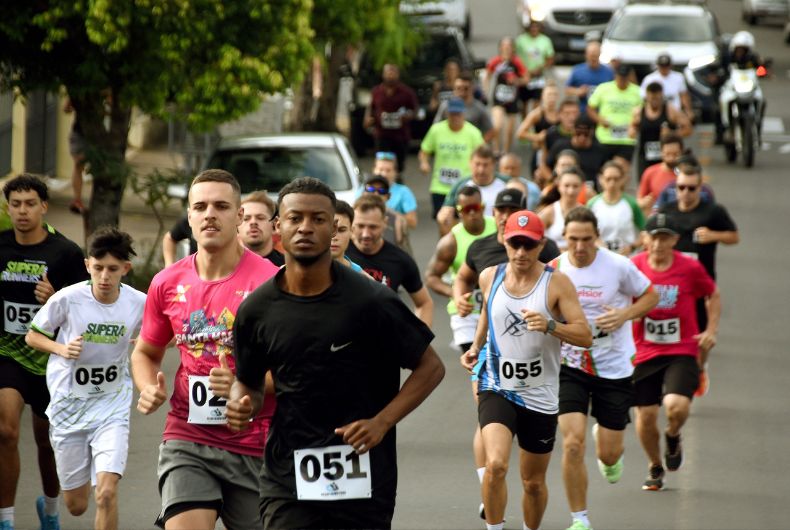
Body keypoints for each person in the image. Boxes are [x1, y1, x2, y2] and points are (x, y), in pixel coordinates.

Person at [225, 177, 445, 529]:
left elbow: (431, 367)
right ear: (278, 226)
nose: (306, 227)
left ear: (335, 229)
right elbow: (248, 383)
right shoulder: (257, 310)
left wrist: (382, 422)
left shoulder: (372, 301)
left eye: (318, 219)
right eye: (295, 218)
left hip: (364, 475)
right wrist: (241, 403)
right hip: (287, 473)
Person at [131, 169, 280, 530]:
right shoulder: (167, 282)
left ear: (239, 215)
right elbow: (145, 352)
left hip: (256, 442)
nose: (209, 214)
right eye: (200, 207)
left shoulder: (271, 283)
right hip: (187, 436)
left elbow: (295, 370)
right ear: (189, 217)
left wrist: (244, 384)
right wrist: (148, 386)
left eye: (221, 206)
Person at [460, 210, 592, 530]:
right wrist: (476, 346)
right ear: (504, 241)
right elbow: (487, 312)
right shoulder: (489, 276)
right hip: (497, 384)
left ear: (541, 245)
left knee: (532, 482)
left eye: (529, 245)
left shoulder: (556, 283)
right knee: (495, 465)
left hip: (540, 394)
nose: (521, 252)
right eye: (515, 243)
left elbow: (585, 336)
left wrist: (550, 326)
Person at [25, 228, 145, 530]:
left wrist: (147, 343)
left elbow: (166, 334)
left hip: (112, 405)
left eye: (112, 269)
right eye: (98, 267)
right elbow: (33, 336)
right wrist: (61, 349)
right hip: (69, 406)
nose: (104, 277)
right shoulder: (68, 298)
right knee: (76, 506)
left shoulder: (138, 302)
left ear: (125, 269)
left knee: (106, 493)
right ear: (87, 265)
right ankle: (54, 500)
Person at [550, 208, 658, 530]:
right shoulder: (553, 269)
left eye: (586, 239)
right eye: (573, 239)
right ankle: (579, 519)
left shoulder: (618, 266)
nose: (580, 246)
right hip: (570, 364)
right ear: (564, 237)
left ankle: (608, 449)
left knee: (609, 456)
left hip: (613, 367)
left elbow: (651, 296)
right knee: (572, 444)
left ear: (597, 236)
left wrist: (625, 315)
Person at [1, 174, 88, 530]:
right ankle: (5, 519)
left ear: (44, 207)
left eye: (30, 204)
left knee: (48, 441)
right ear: (8, 209)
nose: (23, 211)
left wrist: (55, 298)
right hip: (8, 352)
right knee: (6, 431)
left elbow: (85, 309)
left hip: (51, 358)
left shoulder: (65, 252)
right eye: (16, 204)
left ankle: (50, 510)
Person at [631, 214, 720, 491]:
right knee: (646, 416)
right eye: (654, 237)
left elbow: (713, 294)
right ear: (645, 239)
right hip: (644, 350)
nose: (658, 243)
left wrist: (710, 330)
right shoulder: (634, 266)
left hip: (681, 348)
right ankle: (655, 465)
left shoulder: (689, 267)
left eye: (664, 237)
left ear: (674, 240)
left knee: (676, 406)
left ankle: (672, 434)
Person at [658, 163, 738, 395]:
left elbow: (734, 236)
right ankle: (672, 369)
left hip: (700, 285)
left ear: (700, 188)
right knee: (669, 327)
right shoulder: (667, 211)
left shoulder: (713, 211)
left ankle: (699, 368)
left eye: (691, 188)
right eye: (681, 187)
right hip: (672, 283)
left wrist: (714, 235)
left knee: (701, 333)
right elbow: (650, 236)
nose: (685, 193)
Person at [426, 186, 497, 352]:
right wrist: (456, 295)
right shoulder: (451, 241)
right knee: (475, 360)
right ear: (458, 212)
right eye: (466, 209)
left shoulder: (498, 228)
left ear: (483, 207)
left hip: (497, 306)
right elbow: (431, 277)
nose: (472, 213)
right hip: (467, 312)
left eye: (475, 207)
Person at [346, 195, 433, 326]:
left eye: (373, 227)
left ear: (385, 223)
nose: (366, 234)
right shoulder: (338, 253)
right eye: (360, 226)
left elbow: (424, 303)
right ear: (352, 223)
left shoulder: (400, 260)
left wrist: (420, 336)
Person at [420, 97, 485, 219]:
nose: (455, 117)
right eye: (452, 114)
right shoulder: (436, 130)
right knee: (442, 220)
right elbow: (425, 150)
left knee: (464, 220)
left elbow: (482, 155)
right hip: (440, 187)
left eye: (458, 114)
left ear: (463, 114)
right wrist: (424, 163)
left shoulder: (473, 133)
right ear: (447, 114)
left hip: (464, 186)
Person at [436, 146, 509, 235]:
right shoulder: (460, 186)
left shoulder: (507, 184)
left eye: (485, 165)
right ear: (470, 163)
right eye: (477, 164)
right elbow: (446, 213)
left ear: (493, 164)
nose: (481, 170)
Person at [587, 64, 642, 178]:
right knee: (604, 171)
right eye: (620, 77)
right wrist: (600, 120)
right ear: (615, 76)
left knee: (622, 171)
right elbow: (590, 108)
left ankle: (621, 189)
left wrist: (635, 125)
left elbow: (643, 112)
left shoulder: (637, 91)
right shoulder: (603, 88)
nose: (622, 80)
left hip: (626, 139)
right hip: (605, 137)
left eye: (625, 77)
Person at [630, 82, 692, 180]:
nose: (654, 101)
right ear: (647, 97)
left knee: (668, 182)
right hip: (645, 156)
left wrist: (672, 134)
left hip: (667, 157)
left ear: (662, 96)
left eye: (657, 99)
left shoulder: (670, 110)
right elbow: (631, 129)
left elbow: (688, 129)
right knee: (644, 182)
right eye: (652, 98)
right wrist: (632, 131)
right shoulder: (639, 112)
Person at [364, 64, 419, 172]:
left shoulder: (406, 92)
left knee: (398, 167)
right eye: (388, 73)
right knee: (382, 163)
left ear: (398, 75)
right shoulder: (376, 91)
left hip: (400, 136)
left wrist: (407, 116)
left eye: (393, 73)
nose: (390, 76)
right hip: (382, 135)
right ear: (383, 75)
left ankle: (397, 178)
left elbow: (415, 110)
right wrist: (367, 119)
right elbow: (371, 107)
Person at [587, 161, 645, 255]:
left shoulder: (631, 203)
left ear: (623, 179)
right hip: (600, 256)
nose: (612, 183)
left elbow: (645, 231)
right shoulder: (592, 204)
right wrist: (596, 243)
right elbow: (585, 231)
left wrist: (632, 247)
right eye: (608, 179)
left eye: (616, 179)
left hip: (627, 257)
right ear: (600, 179)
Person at [485, 37, 529, 154]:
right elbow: (487, 76)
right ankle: (496, 151)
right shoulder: (496, 61)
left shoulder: (517, 62)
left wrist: (517, 81)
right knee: (497, 125)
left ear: (513, 48)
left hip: (512, 99)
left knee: (509, 130)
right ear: (500, 48)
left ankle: (505, 152)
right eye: (504, 46)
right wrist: (486, 90)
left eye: (509, 46)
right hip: (498, 98)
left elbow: (526, 79)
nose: (506, 49)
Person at [544, 115, 608, 194]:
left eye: (586, 134)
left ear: (592, 132)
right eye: (578, 133)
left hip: (590, 189)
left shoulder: (599, 150)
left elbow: (605, 171)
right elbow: (545, 166)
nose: (582, 137)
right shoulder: (560, 146)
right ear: (573, 130)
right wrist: (555, 181)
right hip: (563, 187)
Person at [434, 72, 496, 143]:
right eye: (458, 88)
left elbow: (491, 130)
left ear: (472, 88)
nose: (462, 92)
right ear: (454, 88)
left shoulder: (479, 108)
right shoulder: (446, 106)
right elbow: (436, 127)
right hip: (449, 145)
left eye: (466, 88)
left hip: (471, 145)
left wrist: (479, 146)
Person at [364, 151, 418, 229]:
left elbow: (412, 222)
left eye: (388, 170)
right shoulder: (364, 189)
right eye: (380, 169)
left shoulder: (403, 191)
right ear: (374, 170)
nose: (384, 174)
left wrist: (385, 211)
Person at [539, 167, 585, 252]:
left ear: (582, 187)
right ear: (559, 186)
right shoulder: (549, 212)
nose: (571, 191)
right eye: (566, 186)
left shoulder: (587, 213)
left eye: (575, 186)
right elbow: (535, 239)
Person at [359, 175, 411, 252]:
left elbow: (405, 253)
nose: (376, 194)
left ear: (388, 196)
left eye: (381, 191)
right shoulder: (351, 216)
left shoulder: (398, 220)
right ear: (363, 193)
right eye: (371, 189)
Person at [516, 83, 560, 172]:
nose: (552, 98)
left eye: (554, 95)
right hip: (541, 153)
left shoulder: (560, 114)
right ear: (542, 96)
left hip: (557, 153)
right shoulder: (537, 114)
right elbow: (520, 133)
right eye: (549, 94)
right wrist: (537, 137)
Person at [515, 20, 555, 114]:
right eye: (532, 27)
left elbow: (550, 58)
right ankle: (525, 120)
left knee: (537, 101)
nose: (534, 29)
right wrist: (523, 71)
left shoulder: (545, 40)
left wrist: (541, 68)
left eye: (536, 27)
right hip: (524, 75)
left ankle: (534, 120)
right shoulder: (521, 40)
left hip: (538, 76)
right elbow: (515, 57)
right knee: (524, 102)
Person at [637, 135, 684, 215]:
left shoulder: (686, 174)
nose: (671, 158)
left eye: (675, 154)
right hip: (657, 218)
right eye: (668, 154)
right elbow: (639, 201)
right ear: (661, 152)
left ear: (681, 153)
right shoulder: (650, 172)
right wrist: (645, 202)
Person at [565, 41, 614, 114]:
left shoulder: (609, 72)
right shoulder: (577, 71)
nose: (593, 59)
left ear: (600, 54)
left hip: (603, 111)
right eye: (591, 56)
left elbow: (615, 89)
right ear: (586, 55)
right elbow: (567, 90)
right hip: (583, 110)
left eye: (595, 56)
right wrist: (578, 91)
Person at [640, 53, 693, 119]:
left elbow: (683, 95)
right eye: (662, 66)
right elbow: (644, 97)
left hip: (675, 112)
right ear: (658, 65)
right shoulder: (649, 79)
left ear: (670, 65)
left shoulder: (678, 77)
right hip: (657, 114)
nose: (664, 68)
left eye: (666, 66)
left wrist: (688, 111)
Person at [239, 191, 284, 267]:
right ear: (237, 227)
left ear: (274, 225)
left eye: (260, 218)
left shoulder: (288, 267)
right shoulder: (222, 266)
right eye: (246, 219)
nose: (253, 222)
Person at [63, 100, 88, 215]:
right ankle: (77, 200)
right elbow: (66, 109)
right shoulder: (78, 94)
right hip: (79, 133)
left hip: (99, 135)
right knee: (79, 165)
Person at [331, 200, 366, 274]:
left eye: (341, 230)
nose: (334, 237)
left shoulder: (363, 278)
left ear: (352, 231)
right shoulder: (304, 271)